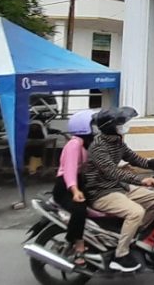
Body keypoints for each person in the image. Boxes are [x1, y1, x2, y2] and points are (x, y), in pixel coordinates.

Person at [84, 107, 154, 273]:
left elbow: (131, 157)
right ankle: (120, 256)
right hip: (102, 192)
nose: (124, 125)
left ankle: (131, 235)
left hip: (119, 188)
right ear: (111, 127)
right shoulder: (98, 147)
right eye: (120, 123)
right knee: (136, 213)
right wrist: (142, 180)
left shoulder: (117, 141)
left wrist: (151, 164)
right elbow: (113, 171)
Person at [54, 109, 97, 268]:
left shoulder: (87, 143)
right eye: (92, 125)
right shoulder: (74, 144)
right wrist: (74, 190)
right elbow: (70, 169)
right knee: (80, 209)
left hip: (80, 182)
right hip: (65, 185)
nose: (95, 128)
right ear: (83, 127)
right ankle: (77, 243)